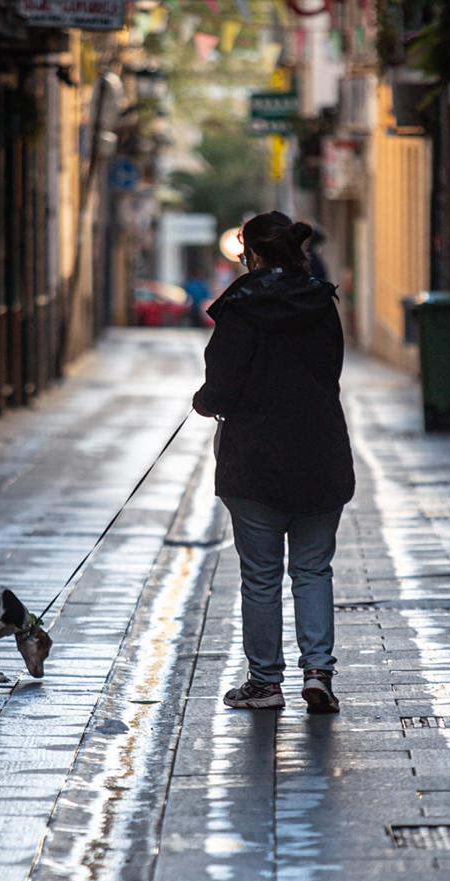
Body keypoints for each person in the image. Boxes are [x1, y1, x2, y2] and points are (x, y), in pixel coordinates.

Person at [192, 211, 355, 712]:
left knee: (261, 576)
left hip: (255, 460)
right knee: (313, 570)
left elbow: (222, 382)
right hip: (319, 453)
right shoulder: (319, 302)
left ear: (252, 254)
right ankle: (318, 675)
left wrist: (205, 401)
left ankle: (265, 683)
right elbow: (331, 369)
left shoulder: (241, 308)